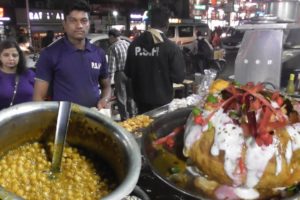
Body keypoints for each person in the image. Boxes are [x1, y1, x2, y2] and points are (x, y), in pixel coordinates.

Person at [33, 0, 111, 110]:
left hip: (94, 119)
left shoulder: (98, 53)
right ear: (64, 24)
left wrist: (105, 99)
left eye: (84, 21)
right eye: (73, 21)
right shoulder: (49, 54)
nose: (79, 25)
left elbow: (106, 86)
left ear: (89, 23)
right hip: (64, 123)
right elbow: (38, 98)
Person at [124, 5, 186, 114]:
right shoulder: (171, 47)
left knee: (143, 128)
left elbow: (128, 73)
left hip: (140, 102)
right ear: (166, 25)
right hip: (162, 103)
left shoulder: (134, 44)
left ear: (150, 23)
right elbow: (179, 78)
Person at [0, 40, 35, 110]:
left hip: (31, 118)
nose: (11, 58)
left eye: (14, 55)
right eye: (6, 55)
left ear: (19, 57)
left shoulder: (29, 74)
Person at [107, 29, 130, 120]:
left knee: (121, 98)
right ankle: (133, 116)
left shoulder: (113, 48)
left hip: (120, 74)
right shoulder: (128, 44)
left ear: (112, 37)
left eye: (109, 38)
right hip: (130, 73)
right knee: (130, 97)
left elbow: (111, 67)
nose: (109, 40)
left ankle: (125, 119)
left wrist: (108, 80)